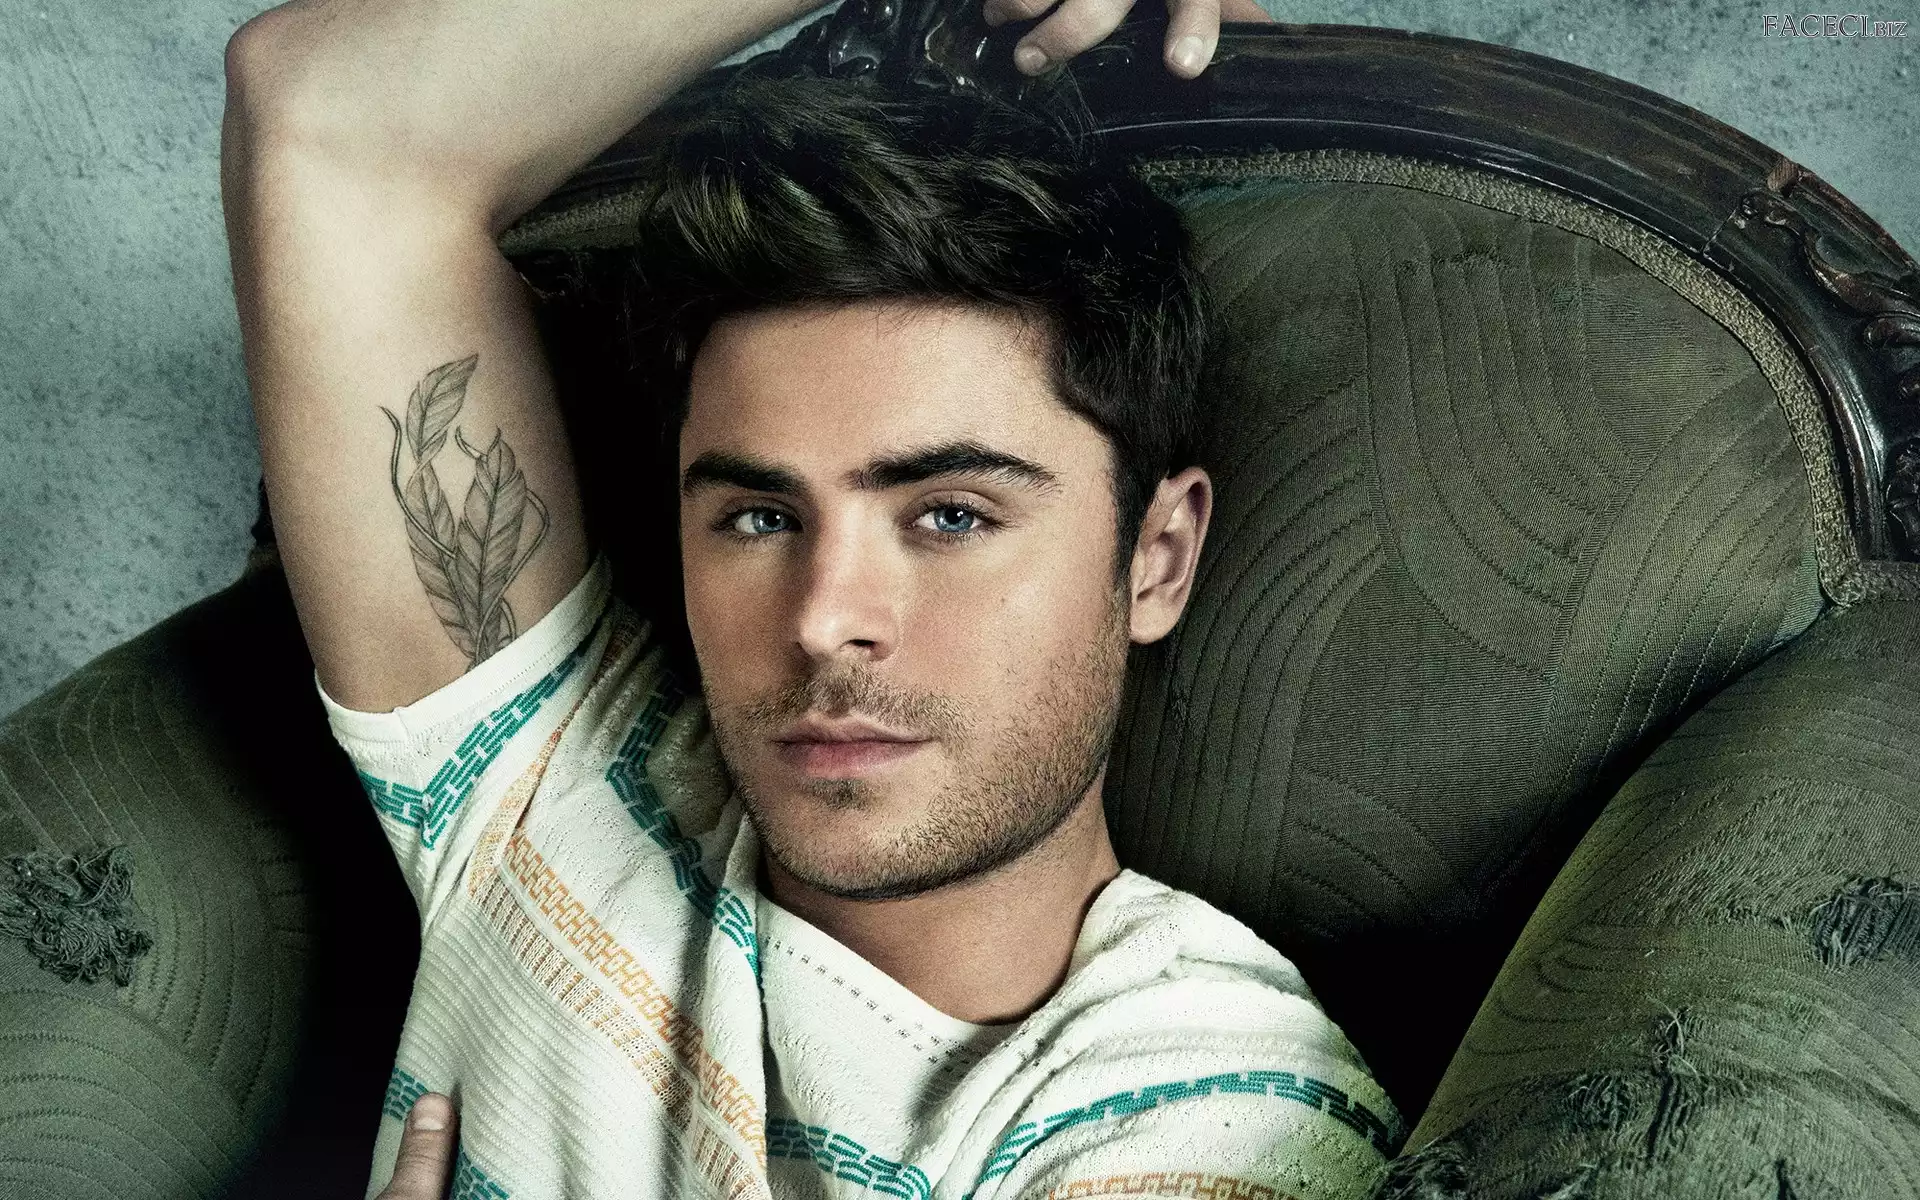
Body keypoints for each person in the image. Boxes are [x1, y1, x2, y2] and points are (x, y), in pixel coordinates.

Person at [221, 0, 1401, 1197]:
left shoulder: (1217, 1113)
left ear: (1157, 557)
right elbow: (327, 116)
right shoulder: (551, 789)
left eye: (951, 516)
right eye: (760, 518)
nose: (824, 618)